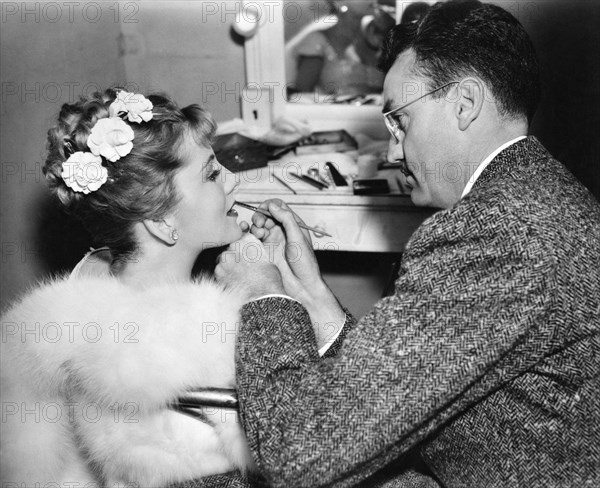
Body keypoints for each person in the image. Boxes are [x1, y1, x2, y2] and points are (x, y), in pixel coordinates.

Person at [215, 1, 600, 486]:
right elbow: (407, 380)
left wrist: (261, 293)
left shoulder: (495, 233)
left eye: (400, 120)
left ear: (465, 103)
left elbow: (298, 451)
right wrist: (311, 294)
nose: (393, 151)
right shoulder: (540, 193)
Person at [0, 88, 344, 487]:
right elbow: (320, 438)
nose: (231, 182)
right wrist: (280, 301)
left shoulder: (80, 291)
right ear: (163, 221)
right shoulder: (209, 340)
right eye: (212, 174)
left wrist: (289, 286)